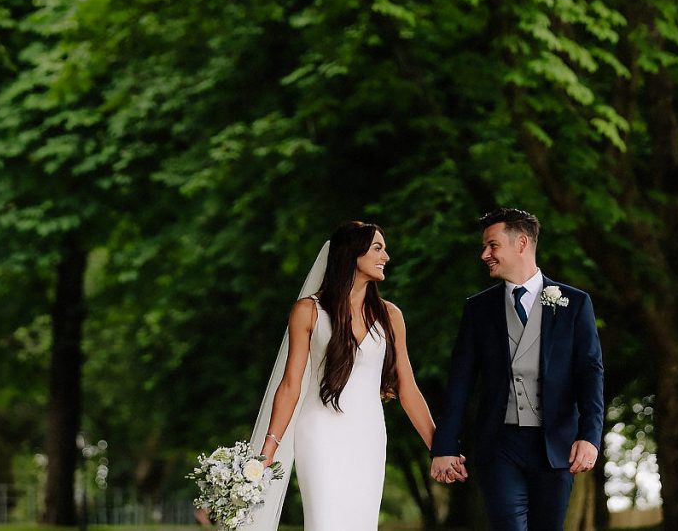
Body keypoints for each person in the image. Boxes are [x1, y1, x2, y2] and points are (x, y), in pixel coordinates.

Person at [250, 221, 441, 531]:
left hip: (369, 436)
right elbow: (290, 386)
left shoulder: (390, 315)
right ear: (352, 254)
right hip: (319, 432)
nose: (386, 256)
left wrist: (439, 444)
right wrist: (267, 451)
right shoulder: (308, 311)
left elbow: (407, 388)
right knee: (324, 523)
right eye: (378, 248)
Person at [430, 208, 605, 530]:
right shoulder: (478, 308)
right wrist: (444, 447)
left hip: (556, 446)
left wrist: (590, 437)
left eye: (492, 245)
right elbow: (460, 381)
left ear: (521, 243)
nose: (485, 254)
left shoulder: (575, 303)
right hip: (500, 445)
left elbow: (590, 373)